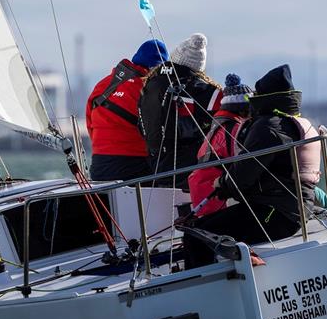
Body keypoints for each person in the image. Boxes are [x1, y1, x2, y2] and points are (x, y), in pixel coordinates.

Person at [182, 64, 316, 263]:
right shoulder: (292, 122)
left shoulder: (268, 127)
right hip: (293, 209)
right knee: (212, 227)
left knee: (195, 235)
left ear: (264, 98)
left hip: (276, 213)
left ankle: (204, 290)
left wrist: (222, 184)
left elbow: (242, 177)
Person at [139, 33, 222, 187]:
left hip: (156, 164)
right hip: (187, 168)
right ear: (199, 65)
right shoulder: (203, 91)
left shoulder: (150, 83)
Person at [86, 39, 168, 181]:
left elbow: (89, 121)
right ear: (156, 68)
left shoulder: (103, 84)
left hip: (99, 164)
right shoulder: (150, 89)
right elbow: (157, 131)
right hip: (135, 165)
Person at [187, 73, 252, 217]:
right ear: (241, 110)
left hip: (200, 195)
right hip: (217, 198)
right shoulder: (236, 130)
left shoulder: (215, 129)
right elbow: (246, 166)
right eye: (250, 109)